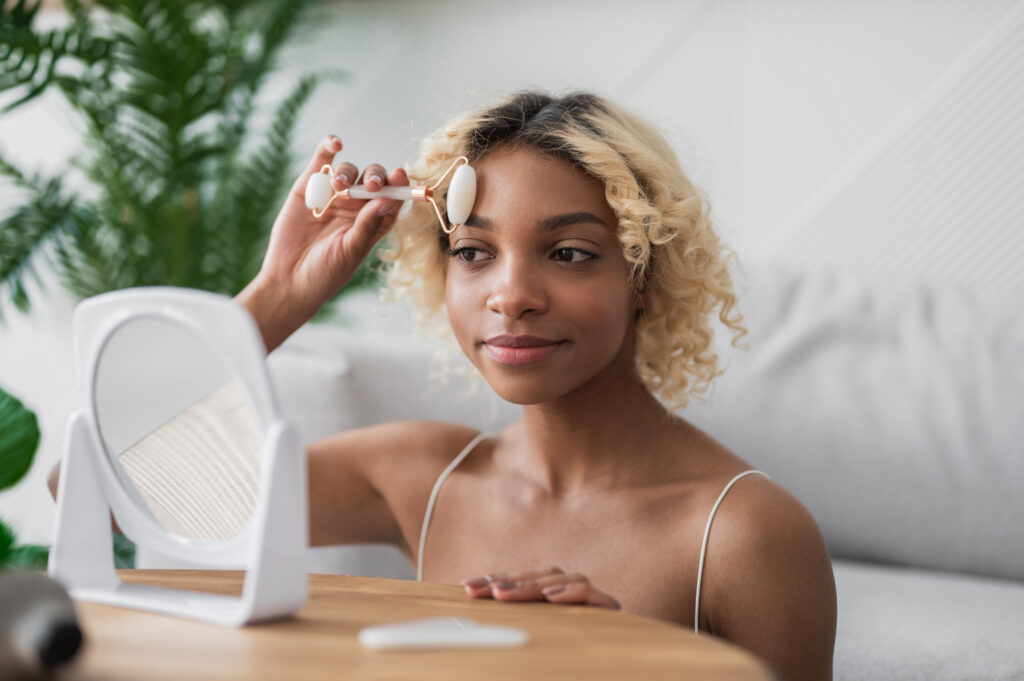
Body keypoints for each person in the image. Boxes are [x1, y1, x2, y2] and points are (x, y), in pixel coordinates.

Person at [238, 91, 837, 680]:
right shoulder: (424, 478)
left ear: (645, 273)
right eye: (473, 251)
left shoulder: (745, 536)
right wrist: (277, 298)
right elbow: (153, 497)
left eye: (570, 253)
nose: (511, 296)